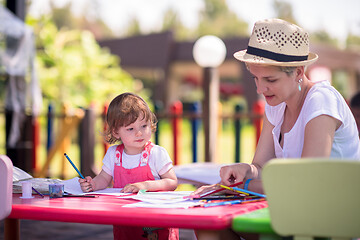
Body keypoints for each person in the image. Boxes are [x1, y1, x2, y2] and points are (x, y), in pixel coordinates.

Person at [193, 18, 360, 196]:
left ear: (298, 72)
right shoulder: (276, 105)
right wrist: (245, 171)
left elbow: (307, 183)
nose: (260, 89)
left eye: (270, 80)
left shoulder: (321, 100)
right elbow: (261, 168)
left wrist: (243, 186)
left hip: (340, 215)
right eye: (255, 78)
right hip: (306, 211)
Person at [79, 92, 178, 240]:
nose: (139, 133)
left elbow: (172, 182)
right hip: (124, 220)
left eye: (144, 126)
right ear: (115, 132)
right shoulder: (113, 154)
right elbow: (103, 179)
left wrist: (144, 185)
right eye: (130, 129)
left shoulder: (156, 153)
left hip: (155, 221)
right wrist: (92, 184)